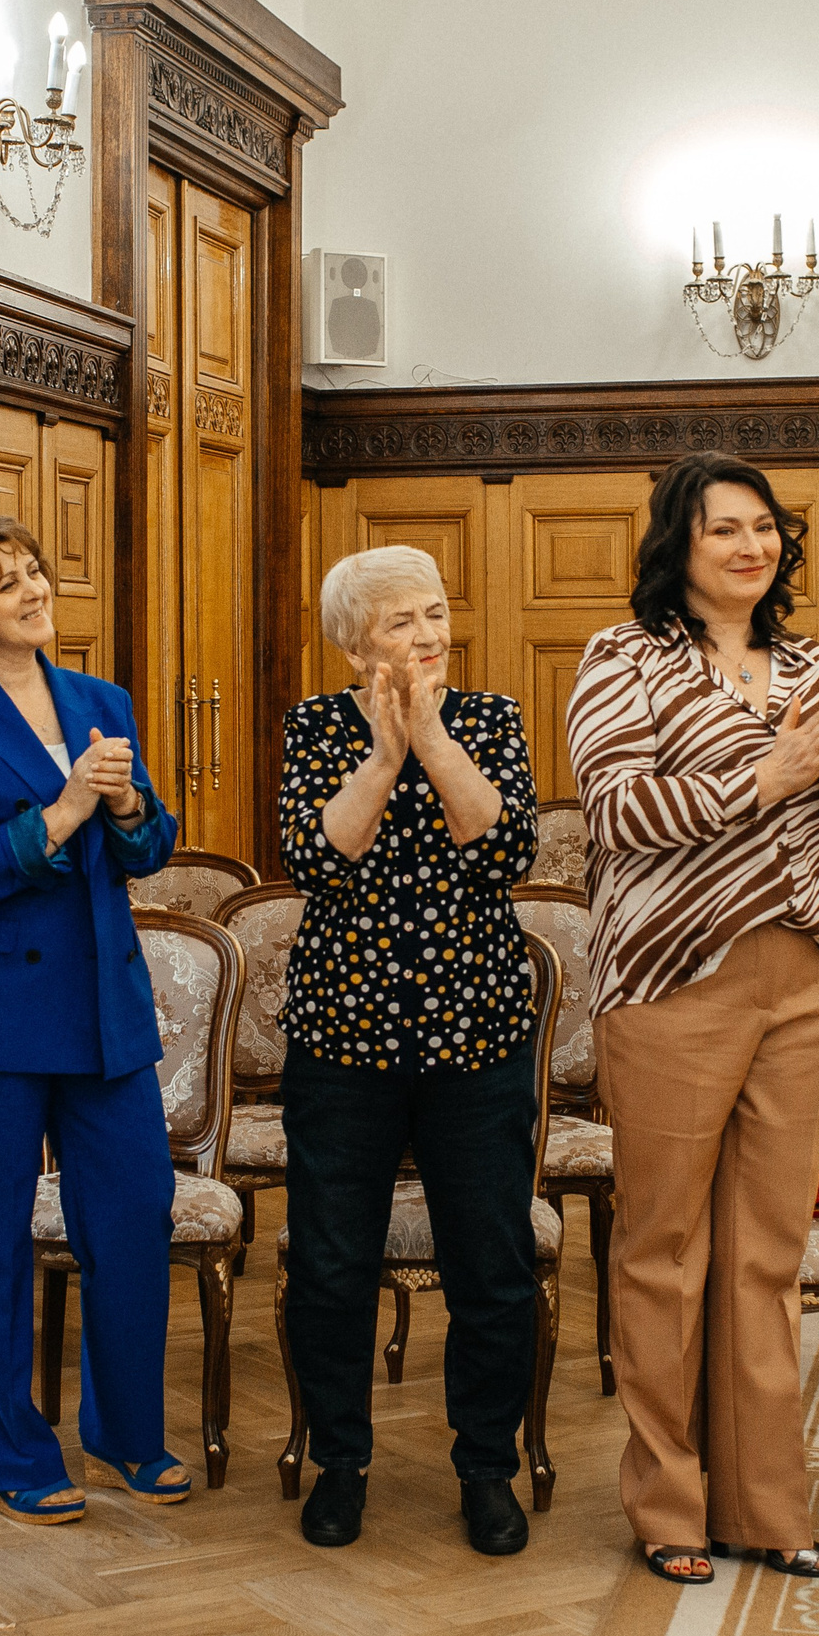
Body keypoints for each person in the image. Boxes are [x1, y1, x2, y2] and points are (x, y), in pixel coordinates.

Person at [564, 451, 819, 1588]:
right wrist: (771, 774)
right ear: (679, 543)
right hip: (671, 982)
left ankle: (766, 1504)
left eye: (764, 527)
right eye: (724, 529)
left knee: (766, 1253)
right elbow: (616, 808)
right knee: (664, 1251)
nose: (751, 546)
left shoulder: (814, 664)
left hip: (797, 979)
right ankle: (669, 1503)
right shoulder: (624, 657)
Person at [0, 512, 185, 1526]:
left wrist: (126, 810)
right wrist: (62, 812)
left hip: (103, 1004)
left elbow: (148, 844)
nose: (32, 589)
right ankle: (5, 1451)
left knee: (135, 1216)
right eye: (4, 579)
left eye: (34, 570)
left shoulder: (102, 701)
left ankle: (127, 1435)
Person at [275, 544, 543, 1556]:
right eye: (401, 622)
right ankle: (339, 1462)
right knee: (330, 1264)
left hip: (475, 1030)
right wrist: (384, 756)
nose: (429, 635)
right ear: (355, 647)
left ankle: (487, 1466)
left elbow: (505, 848)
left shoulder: (490, 719)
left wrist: (430, 737)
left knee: (492, 1261)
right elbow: (316, 857)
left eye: (435, 613)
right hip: (344, 1035)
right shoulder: (316, 726)